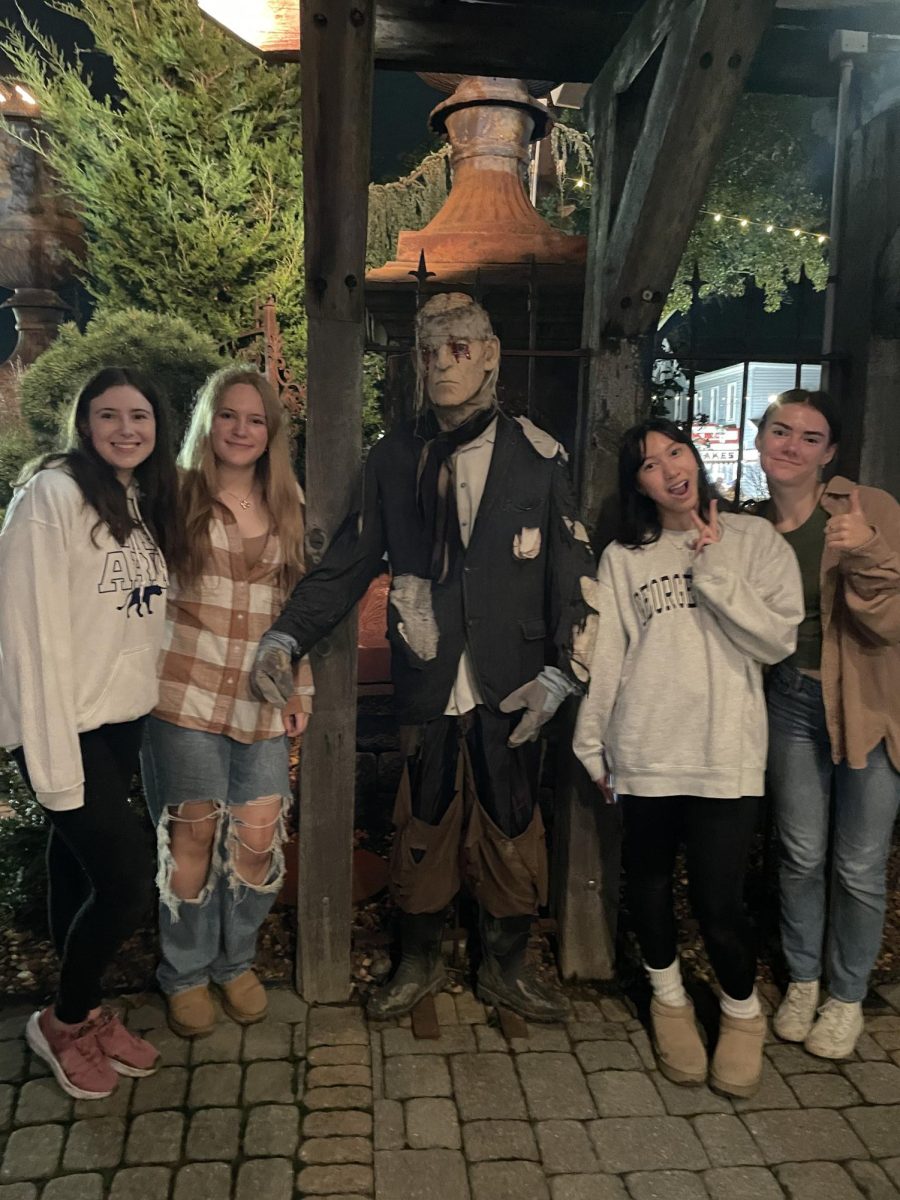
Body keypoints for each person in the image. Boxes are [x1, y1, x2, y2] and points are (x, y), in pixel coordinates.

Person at [250, 292, 598, 1022]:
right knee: (423, 821)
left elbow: (573, 576)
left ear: (491, 355)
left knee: (512, 822)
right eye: (430, 351)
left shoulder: (538, 460)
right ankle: (419, 962)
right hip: (428, 673)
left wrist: (563, 675)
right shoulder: (394, 458)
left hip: (515, 678)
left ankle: (505, 966)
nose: (442, 363)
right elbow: (347, 561)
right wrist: (286, 635)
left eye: (460, 348)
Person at [573, 418, 803, 1097]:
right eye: (650, 463)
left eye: (676, 451)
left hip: (724, 751)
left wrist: (715, 569)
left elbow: (777, 641)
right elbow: (609, 655)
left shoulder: (755, 540)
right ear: (638, 483)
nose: (669, 467)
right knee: (645, 885)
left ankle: (741, 1012)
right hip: (646, 748)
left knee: (718, 900)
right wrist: (593, 742)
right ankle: (668, 999)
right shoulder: (625, 558)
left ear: (694, 458)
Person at [0, 367, 180, 1099]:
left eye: (140, 416)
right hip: (60, 723)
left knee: (79, 871)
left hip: (117, 718)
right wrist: (49, 758)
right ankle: (61, 1020)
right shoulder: (50, 497)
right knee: (128, 883)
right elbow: (25, 634)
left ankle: (87, 1008)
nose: (127, 429)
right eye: (110, 416)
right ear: (84, 424)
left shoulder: (136, 501)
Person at [141, 365, 313, 1038]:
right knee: (192, 835)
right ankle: (183, 973)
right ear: (208, 423)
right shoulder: (172, 495)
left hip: (260, 700)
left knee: (258, 835)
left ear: (271, 432)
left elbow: (300, 608)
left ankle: (233, 960)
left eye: (255, 419)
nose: (241, 430)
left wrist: (301, 686)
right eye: (229, 416)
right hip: (181, 693)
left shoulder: (287, 500)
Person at [754, 389, 900, 1059]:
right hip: (788, 701)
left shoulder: (867, 509)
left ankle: (846, 996)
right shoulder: (749, 525)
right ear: (760, 439)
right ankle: (805, 980)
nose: (791, 445)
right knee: (801, 855)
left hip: (867, 704)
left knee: (860, 865)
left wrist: (867, 551)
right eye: (780, 430)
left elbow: (890, 621)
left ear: (830, 452)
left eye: (810, 437)